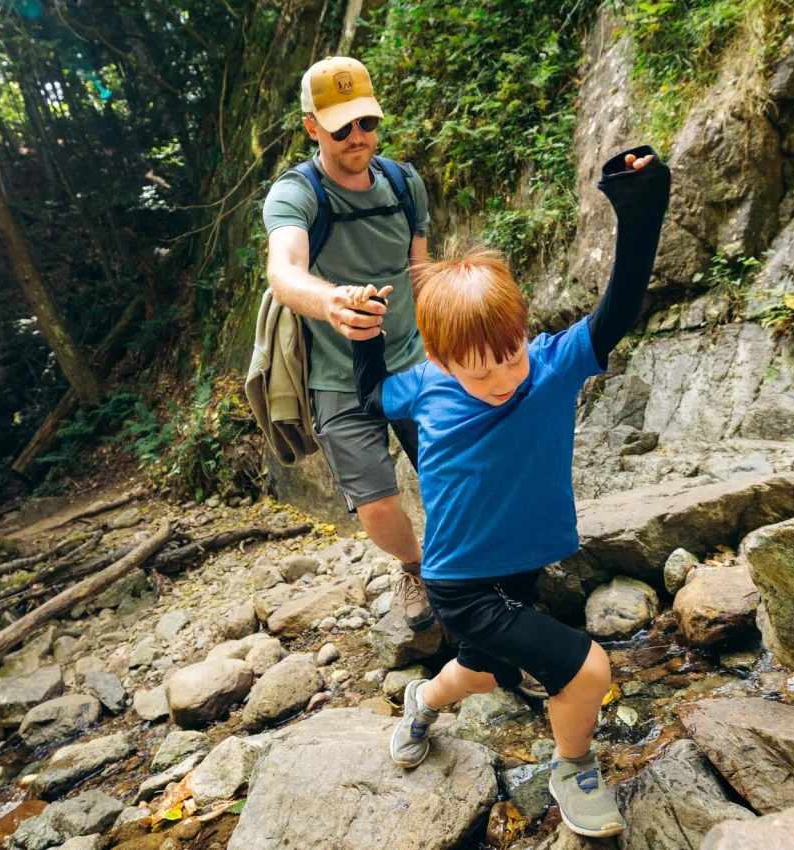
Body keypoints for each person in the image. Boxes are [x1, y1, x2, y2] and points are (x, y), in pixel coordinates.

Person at [350, 146, 670, 838]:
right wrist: (366, 339)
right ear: (440, 359)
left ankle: (419, 702)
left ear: (525, 332)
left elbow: (620, 307)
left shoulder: (553, 367)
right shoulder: (425, 388)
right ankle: (573, 766)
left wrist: (640, 207)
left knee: (482, 677)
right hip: (460, 583)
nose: (500, 376)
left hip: (521, 569)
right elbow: (373, 396)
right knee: (587, 670)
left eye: (511, 353)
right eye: (477, 368)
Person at [261, 56, 435, 632]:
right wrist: (331, 303)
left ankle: (472, 568)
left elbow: (421, 271)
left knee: (453, 472)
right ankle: (415, 569)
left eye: (366, 123)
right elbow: (284, 270)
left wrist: (443, 347)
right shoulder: (296, 194)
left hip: (414, 363)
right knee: (377, 504)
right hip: (338, 379)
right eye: (341, 128)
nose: (357, 138)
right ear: (312, 126)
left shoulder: (405, 184)